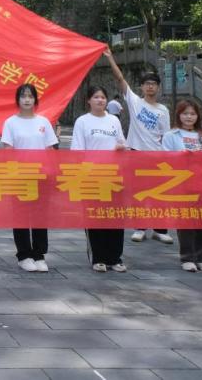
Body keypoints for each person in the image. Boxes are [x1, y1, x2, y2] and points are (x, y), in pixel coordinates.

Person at [104, 49, 173, 245]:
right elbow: (120, 78)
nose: (150, 86)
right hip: (136, 153)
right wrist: (110, 58)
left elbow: (166, 136)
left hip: (157, 155)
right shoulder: (135, 102)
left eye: (153, 84)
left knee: (159, 192)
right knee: (138, 191)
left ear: (158, 87)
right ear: (141, 87)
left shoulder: (163, 110)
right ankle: (140, 227)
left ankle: (160, 229)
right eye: (147, 83)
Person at [1, 83, 58, 272]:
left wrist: (52, 171)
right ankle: (24, 255)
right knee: (21, 216)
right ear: (17, 100)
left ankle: (39, 254)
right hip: (19, 177)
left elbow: (50, 149)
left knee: (40, 216)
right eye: (23, 96)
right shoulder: (10, 123)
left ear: (35, 100)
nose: (27, 100)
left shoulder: (43, 122)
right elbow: (8, 149)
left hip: (41, 177)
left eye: (30, 96)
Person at [71, 86, 127, 273]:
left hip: (113, 176)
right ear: (89, 100)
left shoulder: (114, 120)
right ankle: (98, 257)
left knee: (115, 217)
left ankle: (115, 257)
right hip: (92, 176)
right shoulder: (82, 122)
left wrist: (121, 148)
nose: (100, 100)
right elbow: (77, 151)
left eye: (103, 97)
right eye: (96, 97)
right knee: (95, 217)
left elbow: (122, 143)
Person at [162, 100, 202, 273]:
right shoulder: (171, 135)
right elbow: (165, 158)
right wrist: (182, 156)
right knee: (186, 221)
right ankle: (187, 257)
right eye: (185, 113)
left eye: (192, 114)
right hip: (181, 184)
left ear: (198, 116)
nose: (189, 117)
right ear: (178, 115)